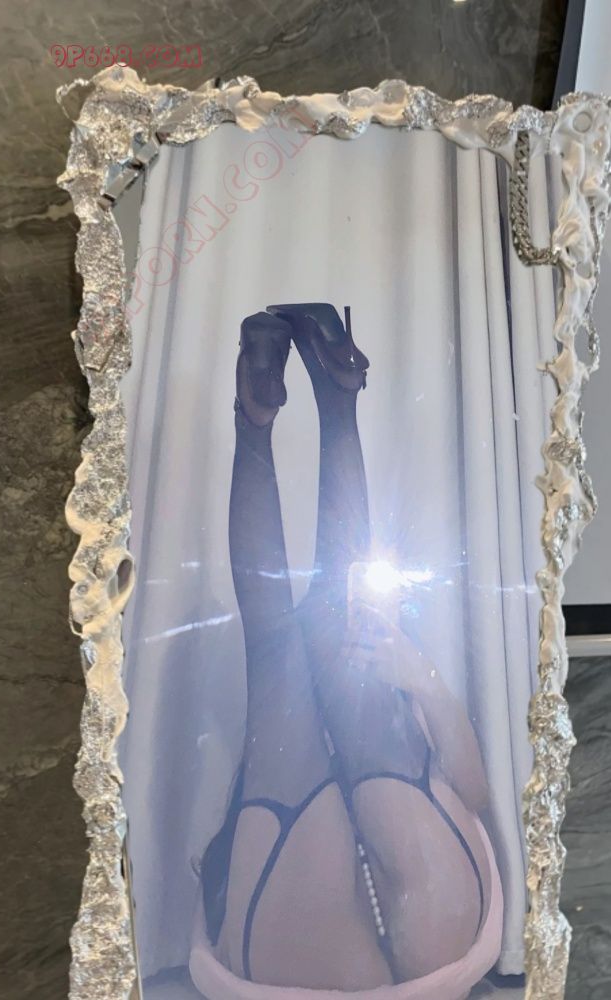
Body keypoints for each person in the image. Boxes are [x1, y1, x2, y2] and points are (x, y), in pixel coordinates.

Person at [196, 303, 497, 994]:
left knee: (317, 619)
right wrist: (420, 679)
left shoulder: (355, 678)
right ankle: (257, 419)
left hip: (379, 929)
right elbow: (475, 795)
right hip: (354, 931)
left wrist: (422, 679)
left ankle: (334, 396)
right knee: (275, 638)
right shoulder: (343, 686)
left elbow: (475, 796)